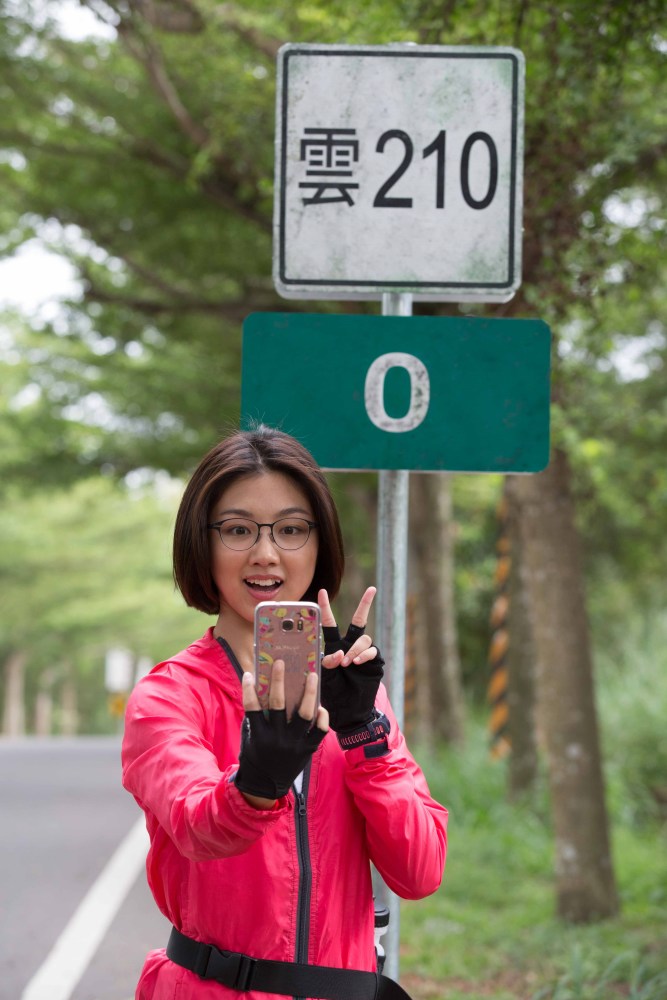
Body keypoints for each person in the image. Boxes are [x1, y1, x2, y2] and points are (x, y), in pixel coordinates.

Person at [122, 424, 448, 1000]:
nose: (266, 553)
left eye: (292, 529)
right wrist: (254, 785)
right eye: (238, 530)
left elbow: (419, 870)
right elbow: (198, 826)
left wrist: (366, 736)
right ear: (202, 543)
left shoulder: (354, 695)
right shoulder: (169, 696)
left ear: (321, 545)